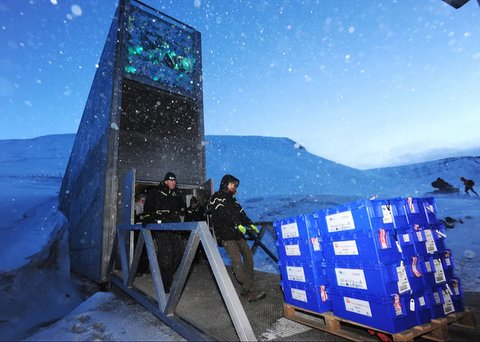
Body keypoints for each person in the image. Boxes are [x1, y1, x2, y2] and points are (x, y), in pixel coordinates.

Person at [208, 174, 266, 302]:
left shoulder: (233, 200)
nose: (235, 188)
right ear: (225, 184)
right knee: (237, 262)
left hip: (237, 233)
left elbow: (241, 213)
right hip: (226, 235)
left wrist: (249, 223)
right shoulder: (216, 198)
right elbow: (221, 214)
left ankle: (246, 288)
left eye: (235, 185)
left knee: (249, 256)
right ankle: (252, 290)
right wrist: (235, 224)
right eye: (233, 185)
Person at [143, 172, 186, 292]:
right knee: (165, 253)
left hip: (174, 225)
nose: (173, 183)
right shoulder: (156, 192)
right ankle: (165, 282)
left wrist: (183, 209)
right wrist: (146, 217)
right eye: (171, 181)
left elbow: (182, 207)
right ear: (166, 181)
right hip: (160, 225)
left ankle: (168, 274)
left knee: (179, 251)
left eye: (174, 181)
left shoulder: (176, 193)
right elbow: (148, 207)